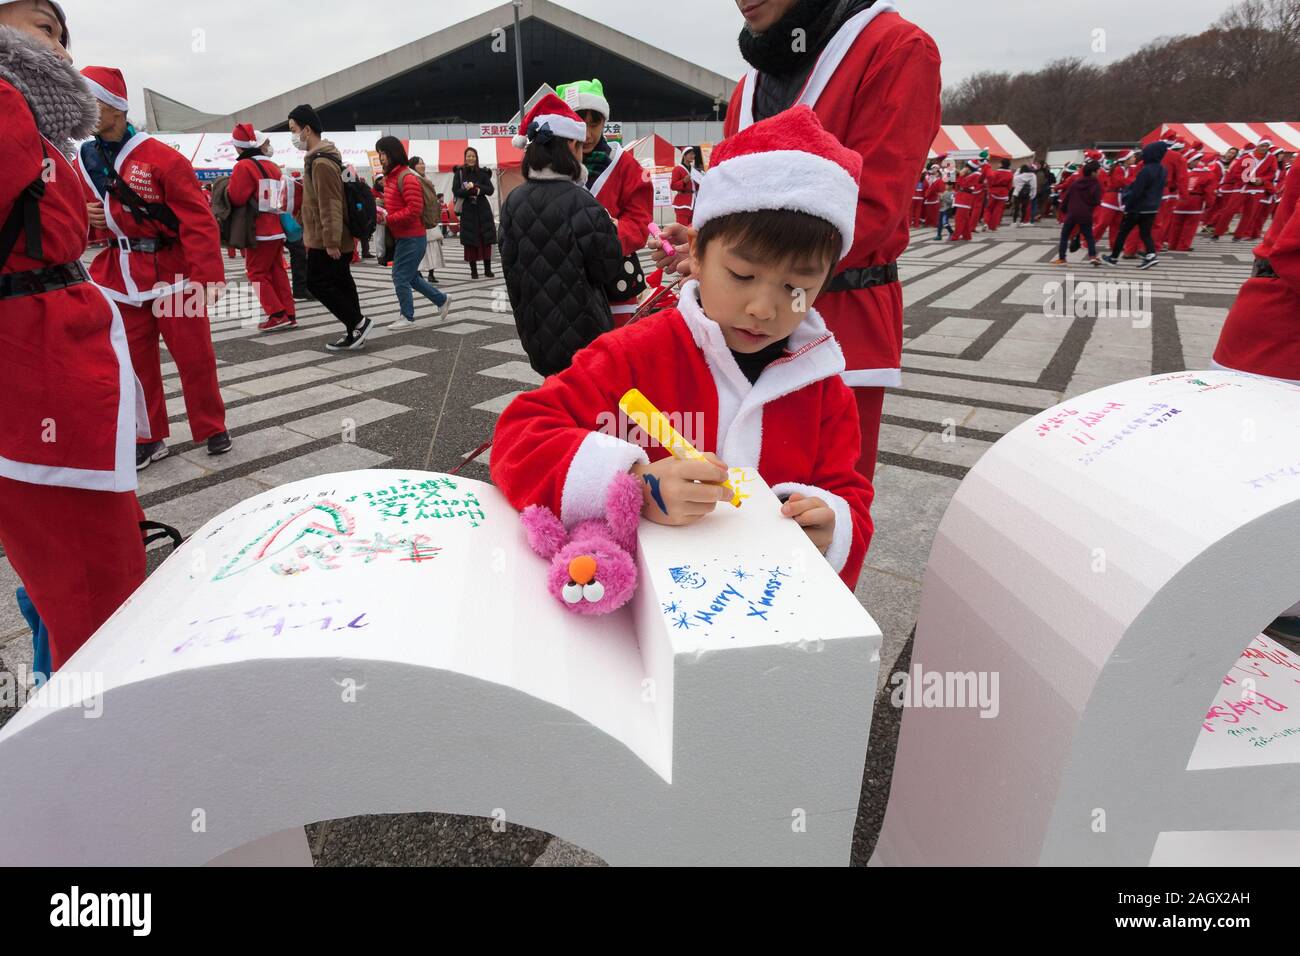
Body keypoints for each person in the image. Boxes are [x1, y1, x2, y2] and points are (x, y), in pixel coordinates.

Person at [491, 107, 875, 591]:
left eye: (797, 285)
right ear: (695, 253)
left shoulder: (823, 386)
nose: (763, 307)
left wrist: (833, 525)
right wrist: (635, 483)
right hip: (647, 615)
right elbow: (519, 437)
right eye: (741, 275)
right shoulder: (634, 354)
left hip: (767, 612)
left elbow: (849, 494)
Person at [652, 0, 941, 485]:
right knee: (723, 488)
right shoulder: (748, 85)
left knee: (817, 500)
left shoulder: (894, 48)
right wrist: (704, 246)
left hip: (840, 324)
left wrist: (737, 262)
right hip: (730, 328)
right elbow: (732, 202)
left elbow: (872, 209)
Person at [0, 0, 147, 672]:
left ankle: (51, 672)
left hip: (62, 329)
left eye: (63, 33)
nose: (58, 46)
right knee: (95, 578)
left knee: (58, 565)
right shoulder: (6, 101)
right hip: (38, 355)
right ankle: (96, 728)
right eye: (41, 26)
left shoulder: (38, 123)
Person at [76, 64, 231, 469]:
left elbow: (199, 221)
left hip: (174, 274)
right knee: (134, 364)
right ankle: (149, 436)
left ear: (115, 107)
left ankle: (212, 425)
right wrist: (87, 218)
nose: (85, 108)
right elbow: (78, 216)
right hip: (120, 275)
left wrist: (209, 277)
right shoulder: (83, 159)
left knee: (195, 356)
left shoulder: (162, 157)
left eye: (92, 99)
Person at [498, 94, 625, 376]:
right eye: (580, 146)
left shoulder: (512, 202)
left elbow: (509, 265)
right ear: (570, 145)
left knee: (554, 397)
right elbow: (607, 269)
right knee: (587, 405)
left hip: (535, 332)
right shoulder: (584, 203)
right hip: (585, 333)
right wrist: (610, 229)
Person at [558, 78, 654, 326]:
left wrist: (608, 234)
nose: (588, 134)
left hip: (615, 277)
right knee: (571, 356)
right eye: (580, 123)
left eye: (595, 122)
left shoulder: (626, 165)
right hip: (565, 278)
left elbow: (640, 223)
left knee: (615, 353)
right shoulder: (551, 167)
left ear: (604, 121)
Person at [288, 103, 372, 351]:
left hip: (326, 238)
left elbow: (330, 203)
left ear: (307, 129)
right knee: (342, 281)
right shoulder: (322, 159)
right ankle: (355, 331)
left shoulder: (321, 163)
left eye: (294, 130)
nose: (293, 136)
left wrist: (331, 240)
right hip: (331, 234)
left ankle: (358, 322)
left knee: (316, 282)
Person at [1212, 152, 1299, 383]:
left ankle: (1242, 234)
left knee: (1253, 220)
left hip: (1272, 318)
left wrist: (1266, 183)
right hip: (1282, 335)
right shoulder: (1250, 158)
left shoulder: (1268, 160)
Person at [375, 136, 450, 331]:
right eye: (379, 153)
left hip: (412, 236)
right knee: (411, 276)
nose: (381, 157)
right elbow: (397, 203)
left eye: (383, 153)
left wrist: (388, 219)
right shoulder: (391, 177)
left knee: (400, 276)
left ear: (393, 154)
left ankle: (407, 316)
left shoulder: (406, 177)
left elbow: (414, 209)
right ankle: (441, 300)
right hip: (404, 237)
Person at [227, 124, 296, 333]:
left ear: (238, 147)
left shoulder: (243, 166)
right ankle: (289, 313)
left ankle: (276, 314)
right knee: (277, 270)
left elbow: (237, 197)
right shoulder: (272, 165)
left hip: (259, 228)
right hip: (276, 226)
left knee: (256, 272)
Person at [1101, 140, 1168, 270]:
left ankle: (1113, 257)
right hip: (1153, 207)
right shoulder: (1163, 170)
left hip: (1138, 207)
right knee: (1145, 233)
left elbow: (1137, 191)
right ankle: (1151, 255)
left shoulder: (1146, 170)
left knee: (1123, 232)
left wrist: (1128, 206)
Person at [453, 146, 496, 279]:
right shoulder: (459, 173)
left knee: (486, 239)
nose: (470, 158)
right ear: (465, 158)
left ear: (476, 158)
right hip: (468, 209)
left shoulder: (483, 173)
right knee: (471, 240)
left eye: (473, 156)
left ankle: (487, 269)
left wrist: (476, 188)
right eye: (468, 156)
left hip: (483, 209)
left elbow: (490, 189)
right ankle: (474, 271)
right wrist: (469, 191)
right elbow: (456, 191)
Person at [1052, 160, 1101, 265]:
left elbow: (1067, 197)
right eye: (1098, 171)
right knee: (1089, 236)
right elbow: (1097, 200)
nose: (1099, 172)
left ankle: (1062, 258)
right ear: (1093, 172)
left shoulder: (1076, 183)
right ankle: (1092, 256)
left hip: (1072, 213)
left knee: (1064, 235)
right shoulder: (1096, 184)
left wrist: (1064, 209)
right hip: (1086, 214)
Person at [1167, 153, 1218, 253]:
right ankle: (1183, 246)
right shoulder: (1210, 175)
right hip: (1195, 201)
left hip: (1181, 199)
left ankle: (1172, 244)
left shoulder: (1188, 173)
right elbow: (1209, 192)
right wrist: (1209, 204)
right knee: (1190, 225)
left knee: (1176, 224)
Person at [1234, 140, 1277, 243]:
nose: (1265, 148)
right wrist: (1251, 180)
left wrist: (1262, 180)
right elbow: (1237, 173)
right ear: (1257, 146)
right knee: (1230, 210)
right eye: (1263, 146)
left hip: (1262, 189)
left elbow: (1272, 174)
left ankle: (1242, 235)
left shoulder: (1272, 160)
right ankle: (1218, 232)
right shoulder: (1247, 158)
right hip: (1242, 188)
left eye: (1267, 146)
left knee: (1253, 214)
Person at [411, 156, 445, 283]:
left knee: (433, 246)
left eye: (423, 163)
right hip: (420, 218)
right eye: (419, 164)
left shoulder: (426, 180)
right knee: (420, 248)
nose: (423, 165)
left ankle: (431, 273)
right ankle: (417, 272)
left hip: (430, 218)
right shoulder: (413, 179)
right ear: (413, 166)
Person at [671, 145, 705, 227]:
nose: (693, 156)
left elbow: (698, 186)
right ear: (684, 155)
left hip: (694, 202)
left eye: (693, 154)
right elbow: (673, 186)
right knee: (682, 227)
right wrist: (684, 181)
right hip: (683, 202)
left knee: (692, 227)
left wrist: (703, 176)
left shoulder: (694, 170)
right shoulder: (677, 169)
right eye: (690, 154)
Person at [950, 160, 981, 241]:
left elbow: (963, 184)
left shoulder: (976, 175)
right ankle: (967, 235)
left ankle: (955, 236)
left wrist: (960, 175)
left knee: (959, 218)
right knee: (965, 218)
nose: (965, 168)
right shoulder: (972, 175)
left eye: (966, 167)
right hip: (963, 197)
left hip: (964, 198)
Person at [983, 158, 1013, 231]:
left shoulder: (995, 173)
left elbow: (990, 182)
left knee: (989, 208)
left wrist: (989, 188)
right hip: (1003, 193)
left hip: (993, 191)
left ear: (1001, 164)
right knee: (998, 210)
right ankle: (993, 227)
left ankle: (986, 223)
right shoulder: (1010, 174)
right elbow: (1010, 186)